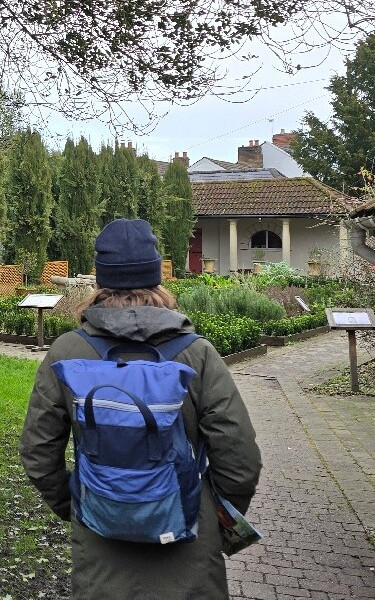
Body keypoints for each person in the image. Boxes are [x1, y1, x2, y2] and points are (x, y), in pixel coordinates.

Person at [19, 218, 262, 600]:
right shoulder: (197, 354)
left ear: (100, 279)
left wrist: (82, 505)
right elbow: (240, 458)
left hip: (100, 544)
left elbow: (38, 453)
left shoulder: (67, 352)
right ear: (157, 279)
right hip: (187, 539)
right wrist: (210, 513)